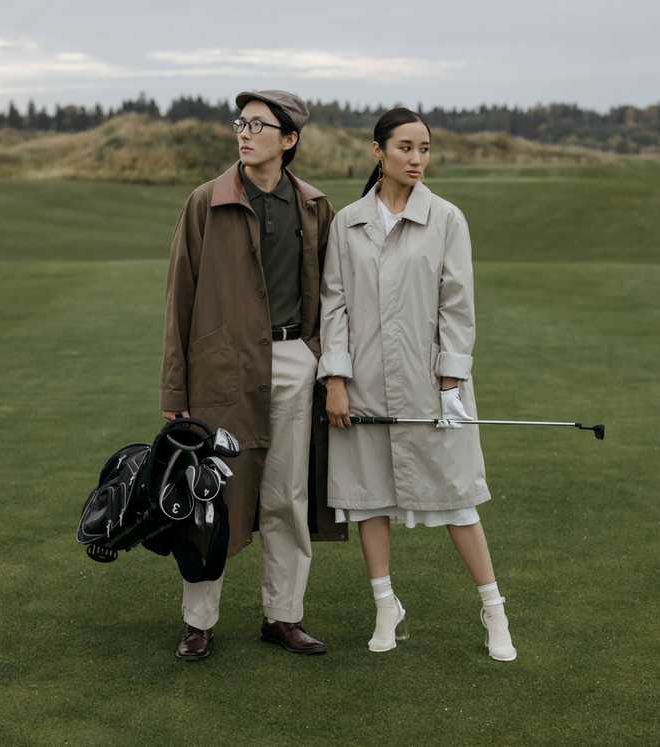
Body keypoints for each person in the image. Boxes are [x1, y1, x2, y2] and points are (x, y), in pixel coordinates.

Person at [318, 107, 517, 661]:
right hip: (363, 386)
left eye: (425, 148)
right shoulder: (348, 222)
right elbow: (333, 304)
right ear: (377, 151)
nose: (417, 159)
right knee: (368, 499)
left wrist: (451, 384)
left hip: (433, 388)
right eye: (406, 147)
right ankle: (386, 604)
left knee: (458, 500)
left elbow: (457, 303)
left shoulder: (448, 219)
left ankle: (494, 609)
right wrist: (335, 378)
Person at [160, 90, 337, 660]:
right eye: (241, 123)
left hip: (291, 363)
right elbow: (178, 300)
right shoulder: (204, 202)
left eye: (259, 125)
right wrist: (175, 390)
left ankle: (283, 616)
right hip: (221, 371)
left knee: (286, 496)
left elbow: (329, 296)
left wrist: (317, 356)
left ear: (289, 140)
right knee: (211, 497)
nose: (244, 133)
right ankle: (199, 621)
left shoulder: (313, 206)